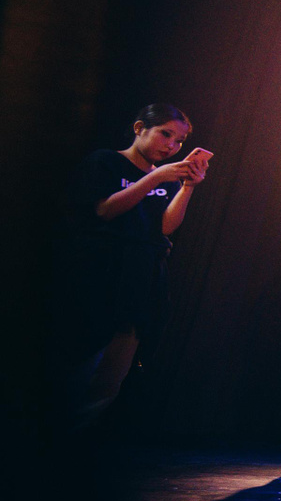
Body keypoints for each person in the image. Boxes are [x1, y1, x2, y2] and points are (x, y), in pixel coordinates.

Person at [61, 104, 212, 429]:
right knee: (75, 360)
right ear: (140, 128)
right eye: (165, 134)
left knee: (110, 374)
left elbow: (166, 227)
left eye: (179, 141)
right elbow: (105, 210)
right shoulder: (106, 161)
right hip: (99, 274)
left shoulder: (167, 178)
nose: (171, 146)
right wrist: (154, 176)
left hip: (140, 280)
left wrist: (187, 187)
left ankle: (76, 437)